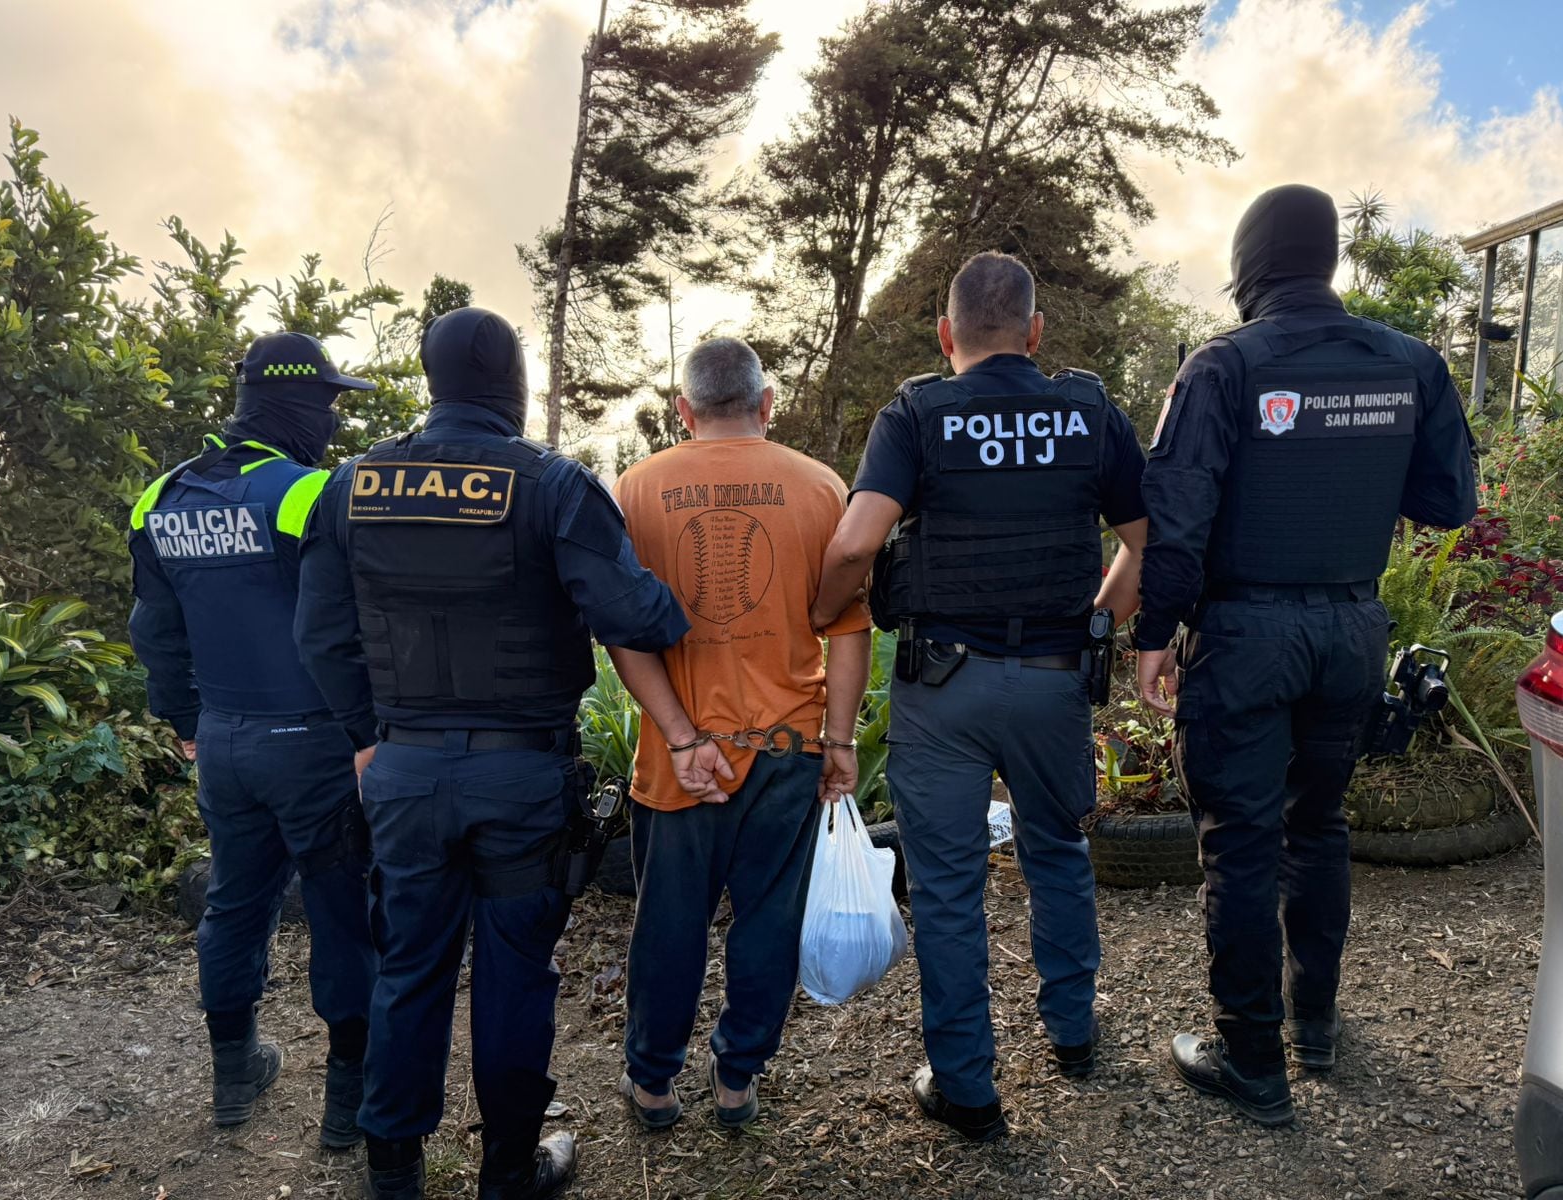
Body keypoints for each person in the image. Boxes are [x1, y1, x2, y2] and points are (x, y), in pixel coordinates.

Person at [293, 306, 691, 1200]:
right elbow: (634, 616)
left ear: (431, 383)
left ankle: (392, 1169)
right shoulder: (549, 484)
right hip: (520, 778)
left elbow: (318, 637)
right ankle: (509, 1171)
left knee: (409, 966)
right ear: (517, 389)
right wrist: (673, 601)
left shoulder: (350, 486)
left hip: (400, 772)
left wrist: (366, 740)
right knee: (515, 976)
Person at [1134, 184, 1478, 1126]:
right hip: (1353, 632)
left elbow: (1177, 520)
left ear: (1250, 265)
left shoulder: (1224, 367)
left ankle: (1253, 1059)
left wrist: (1155, 636)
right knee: (1318, 825)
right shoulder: (1411, 362)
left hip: (1246, 635)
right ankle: (1315, 1024)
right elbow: (1451, 501)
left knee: (1240, 846)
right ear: (1324, 260)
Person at [813, 251, 1149, 1142]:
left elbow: (854, 548)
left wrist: (821, 611)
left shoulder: (916, 412)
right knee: (1058, 857)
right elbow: (1148, 539)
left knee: (949, 886)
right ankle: (1073, 1035)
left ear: (944, 334)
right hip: (1053, 684)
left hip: (941, 689)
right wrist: (1101, 620)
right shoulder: (1089, 410)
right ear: (1035, 334)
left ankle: (967, 1089)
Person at [609, 337, 873, 1131]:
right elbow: (851, 629)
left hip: (680, 757)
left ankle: (653, 1086)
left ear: (683, 410)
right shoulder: (823, 487)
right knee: (768, 919)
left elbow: (622, 634)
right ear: (766, 404)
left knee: (668, 922)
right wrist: (841, 739)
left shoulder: (634, 490)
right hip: (786, 752)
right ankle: (736, 1081)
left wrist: (685, 737)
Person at [127, 332, 378, 1145]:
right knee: (344, 912)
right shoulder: (307, 494)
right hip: (314, 745)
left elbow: (154, 631)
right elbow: (350, 628)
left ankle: (232, 1073)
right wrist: (373, 730)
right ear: (300, 404)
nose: (333, 421)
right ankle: (348, 1102)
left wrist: (188, 724)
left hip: (224, 745)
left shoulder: (159, 499)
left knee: (235, 904)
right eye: (330, 404)